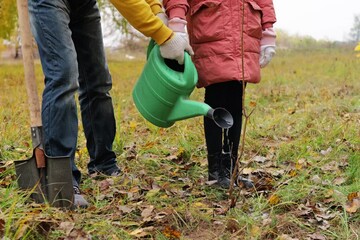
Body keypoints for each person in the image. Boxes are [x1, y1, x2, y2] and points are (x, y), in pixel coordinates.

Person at [28, 0, 193, 207]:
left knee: (98, 81)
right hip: (49, 3)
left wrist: (156, 10)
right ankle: (62, 181)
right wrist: (164, 36)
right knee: (64, 77)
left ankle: (103, 163)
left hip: (84, 4)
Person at [163, 0, 277, 188]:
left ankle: (231, 169)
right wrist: (176, 20)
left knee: (236, 99)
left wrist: (268, 29)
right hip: (212, 23)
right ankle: (215, 171)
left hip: (245, 26)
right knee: (216, 98)